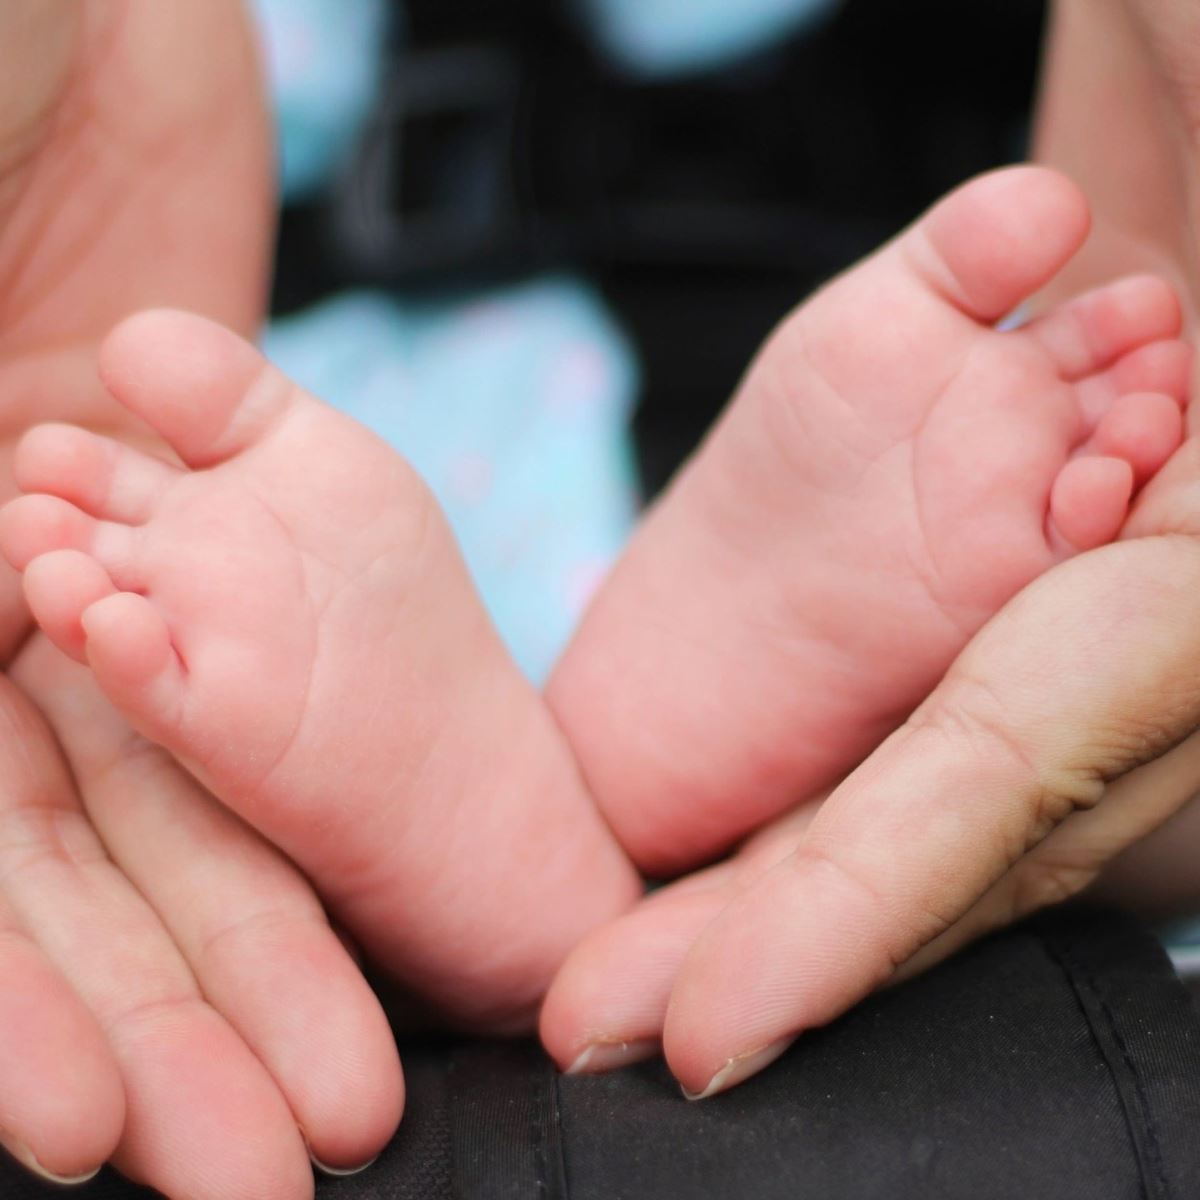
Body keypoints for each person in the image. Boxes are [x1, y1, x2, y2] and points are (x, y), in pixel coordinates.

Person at [1, 3, 1200, 1199]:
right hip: (808, 306)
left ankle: (484, 815)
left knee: (1125, 693)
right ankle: (568, 765)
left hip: (361, 398)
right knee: (1097, 734)